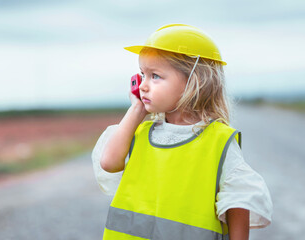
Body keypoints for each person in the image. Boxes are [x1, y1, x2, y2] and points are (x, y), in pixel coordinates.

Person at [92, 24, 272, 240]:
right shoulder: (139, 132)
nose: (143, 86)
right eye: (142, 74)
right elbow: (109, 163)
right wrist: (137, 109)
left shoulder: (218, 141)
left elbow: (239, 203)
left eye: (155, 76)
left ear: (194, 82)